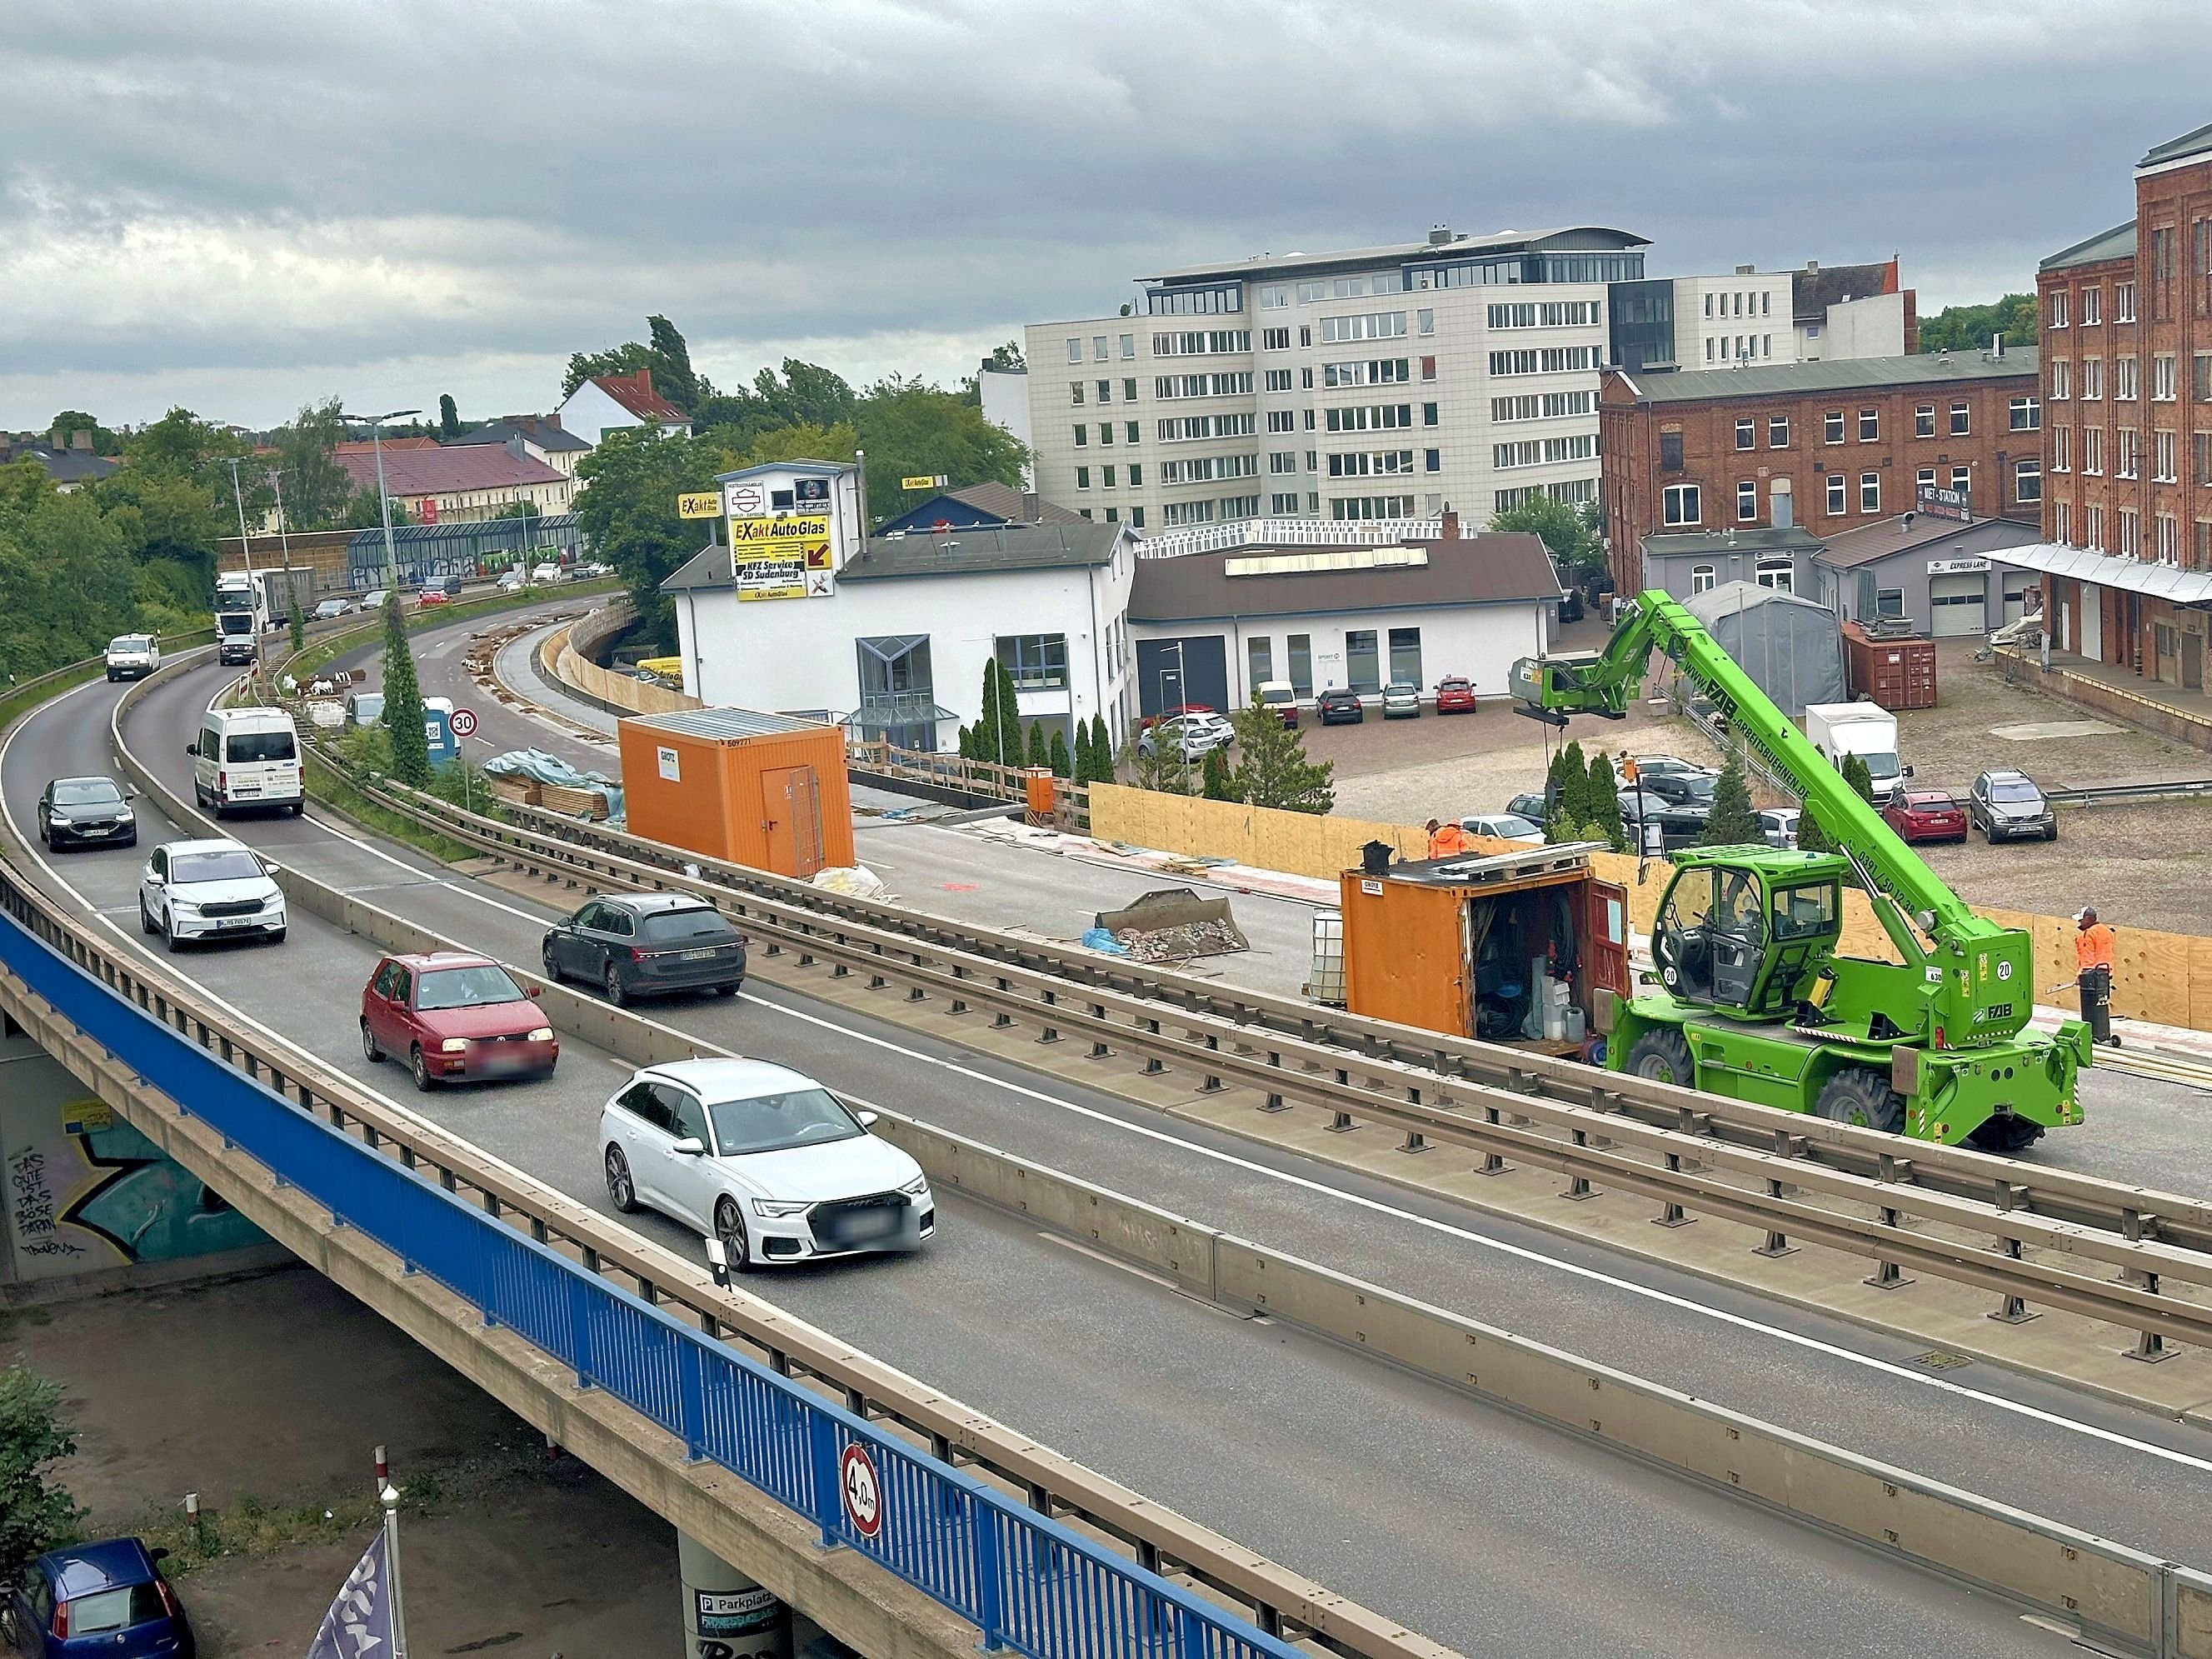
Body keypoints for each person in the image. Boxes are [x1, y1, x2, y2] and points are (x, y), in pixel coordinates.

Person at [2073, 907, 2120, 1047]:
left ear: (2088, 919)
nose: (2079, 923)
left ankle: (2094, 1033)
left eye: (2081, 919)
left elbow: (2087, 957)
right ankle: (2103, 1032)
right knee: (2101, 1004)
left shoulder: (2088, 934)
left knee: (2090, 1007)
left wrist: (2081, 975)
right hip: (2104, 974)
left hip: (2091, 977)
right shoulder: (2106, 931)